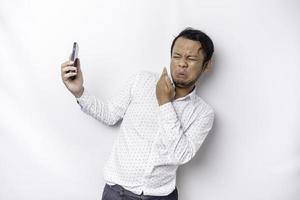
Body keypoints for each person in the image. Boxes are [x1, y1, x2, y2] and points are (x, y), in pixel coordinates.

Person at [61, 27, 215, 200]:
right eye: (176, 56)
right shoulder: (142, 80)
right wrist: (79, 91)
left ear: (207, 65)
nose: (181, 64)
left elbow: (181, 155)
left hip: (161, 196)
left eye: (191, 58)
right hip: (116, 193)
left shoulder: (203, 113)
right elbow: (109, 115)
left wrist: (164, 102)